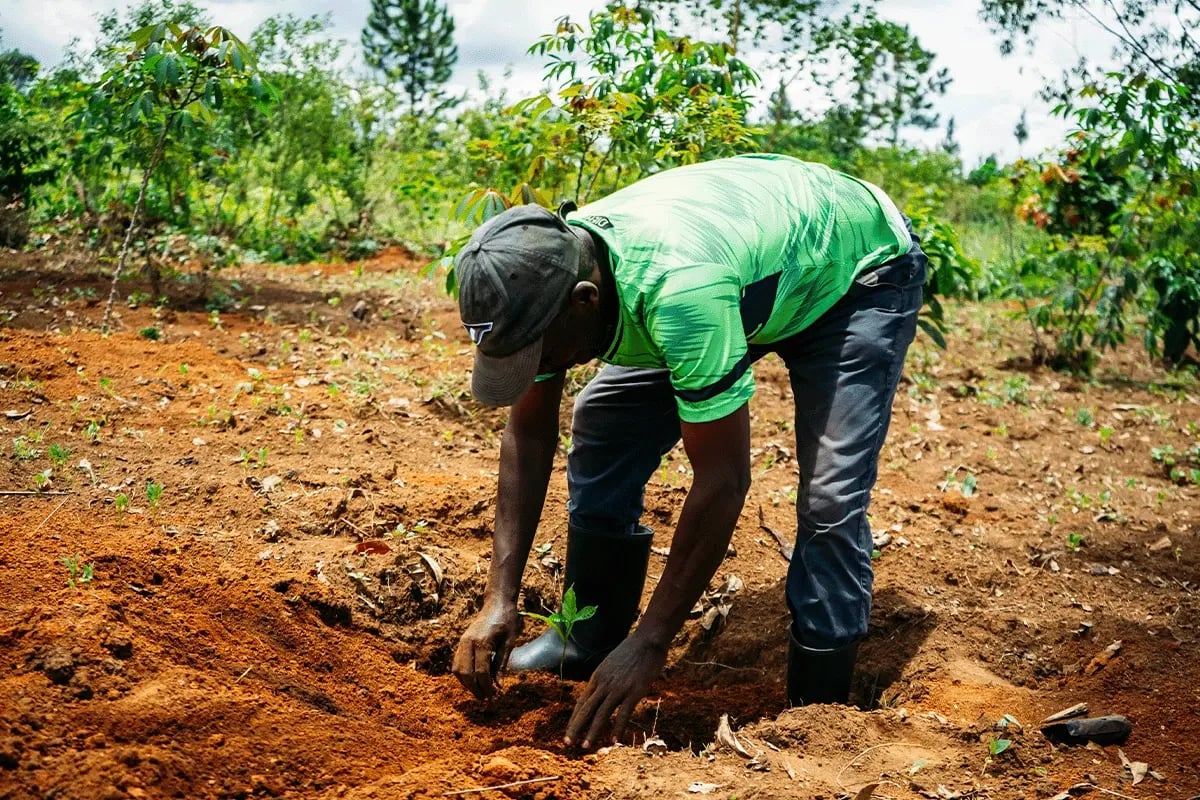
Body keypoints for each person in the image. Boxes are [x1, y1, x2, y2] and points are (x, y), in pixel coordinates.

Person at [449, 153, 927, 750]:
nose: (537, 369)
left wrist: (653, 641)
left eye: (538, 354)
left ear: (585, 300)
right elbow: (530, 431)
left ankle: (818, 704)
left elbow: (723, 479)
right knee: (603, 420)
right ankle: (590, 635)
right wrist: (501, 599)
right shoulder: (540, 278)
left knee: (831, 497)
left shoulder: (681, 293)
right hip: (746, 271)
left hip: (853, 274)